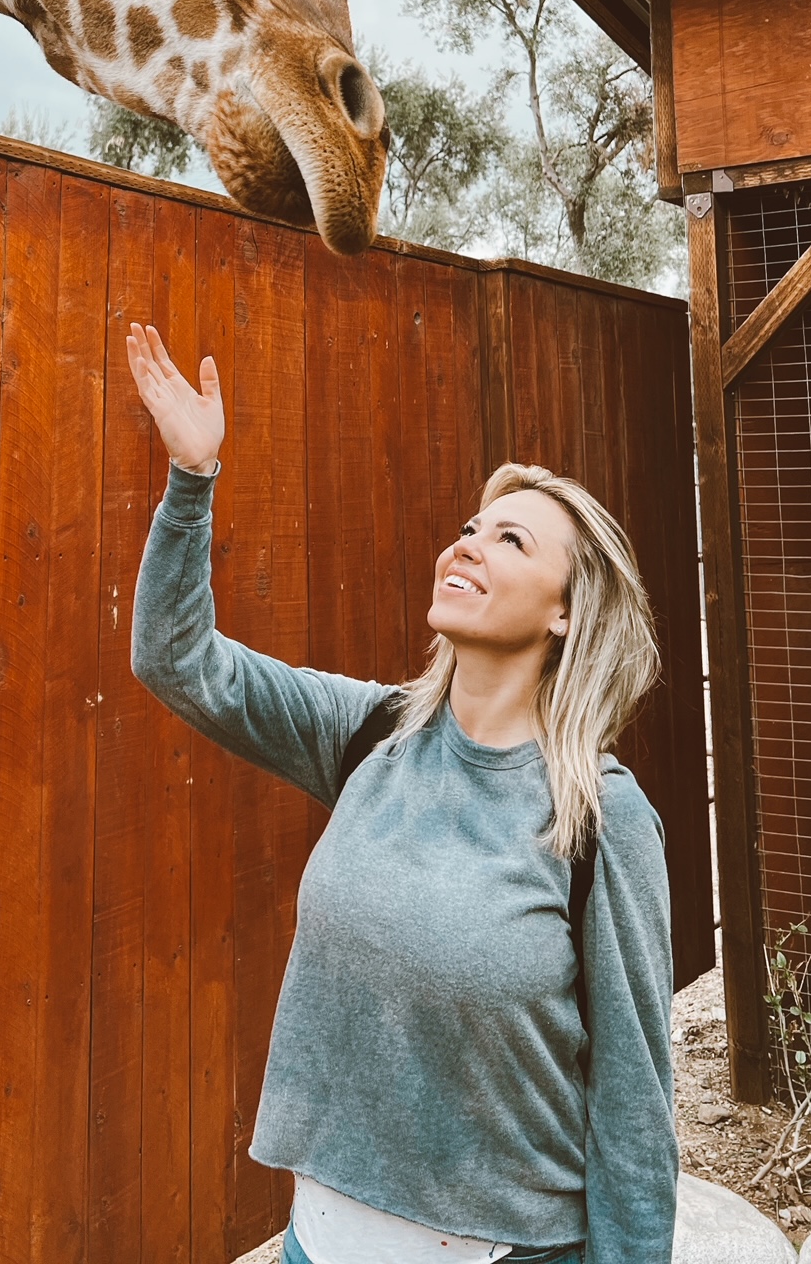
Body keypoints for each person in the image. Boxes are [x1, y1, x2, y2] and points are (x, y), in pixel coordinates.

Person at [126, 322, 677, 1264]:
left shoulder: (600, 818)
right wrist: (192, 480)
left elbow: (633, 1109)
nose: (466, 546)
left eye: (509, 539)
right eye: (468, 528)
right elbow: (178, 662)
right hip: (317, 1242)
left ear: (564, 612)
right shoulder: (370, 735)